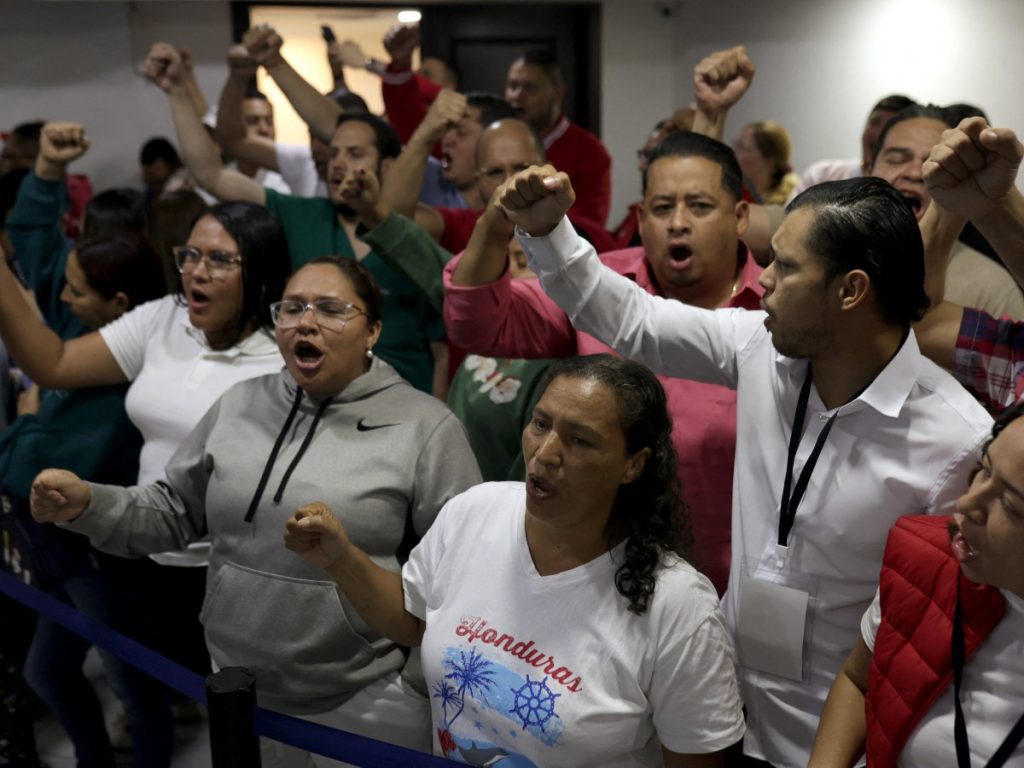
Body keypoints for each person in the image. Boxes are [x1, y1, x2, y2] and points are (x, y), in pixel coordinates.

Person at [505, 167, 992, 766]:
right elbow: (635, 319)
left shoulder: (956, 441)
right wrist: (549, 231)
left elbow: (941, 633)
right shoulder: (763, 350)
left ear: (850, 290)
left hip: (835, 743)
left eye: (785, 268)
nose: (762, 280)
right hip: (715, 714)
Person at [30, 257, 482, 766]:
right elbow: (171, 510)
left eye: (331, 309)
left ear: (372, 329)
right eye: (291, 309)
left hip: (363, 697)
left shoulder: (425, 426)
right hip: (235, 687)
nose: (306, 322)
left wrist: (415, 689)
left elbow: (464, 573)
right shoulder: (240, 403)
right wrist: (89, 502)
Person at [284, 355, 745, 766]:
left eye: (580, 441)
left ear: (633, 464)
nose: (544, 454)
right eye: (540, 424)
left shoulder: (679, 606)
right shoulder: (476, 511)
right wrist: (341, 559)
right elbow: (414, 620)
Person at [443, 131, 765, 595]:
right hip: (589, 578)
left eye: (698, 206)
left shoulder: (774, 312)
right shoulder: (593, 284)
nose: (678, 222)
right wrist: (497, 223)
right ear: (639, 217)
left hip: (727, 582)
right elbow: (476, 324)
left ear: (739, 217)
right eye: (661, 208)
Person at [146, 41, 448, 396]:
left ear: (386, 166)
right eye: (333, 153)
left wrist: (439, 416)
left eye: (353, 153)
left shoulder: (413, 233)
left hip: (403, 403)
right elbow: (210, 174)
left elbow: (441, 350)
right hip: (315, 401)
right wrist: (178, 91)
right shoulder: (301, 214)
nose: (338, 163)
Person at [1, 232, 172, 768]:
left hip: (101, 555)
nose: (64, 300)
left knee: (135, 687)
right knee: (46, 672)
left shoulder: (123, 380)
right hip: (71, 551)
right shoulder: (88, 333)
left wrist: (26, 421)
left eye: (76, 291)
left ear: (118, 303)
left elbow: (31, 469)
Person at [808, 401, 1024, 766]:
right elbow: (859, 680)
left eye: (1010, 504)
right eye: (984, 470)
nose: (969, 502)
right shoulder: (925, 561)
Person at [867, 105, 1024, 320]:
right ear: (868, 170)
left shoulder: (993, 291)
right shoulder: (826, 252)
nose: (914, 173)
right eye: (896, 159)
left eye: (932, 162)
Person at [914, 117, 1024, 412]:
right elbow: (912, 318)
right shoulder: (1015, 357)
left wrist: (995, 205)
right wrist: (951, 207)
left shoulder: (993, 283)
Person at [505, 48, 612, 226]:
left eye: (530, 88)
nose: (517, 96)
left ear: (557, 93)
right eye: (513, 86)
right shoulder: (496, 143)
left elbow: (592, 227)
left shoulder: (590, 152)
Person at [789, 94, 916, 199]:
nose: (878, 134)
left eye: (889, 126)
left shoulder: (911, 189)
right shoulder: (822, 175)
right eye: (874, 123)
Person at [732, 121, 799, 205]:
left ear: (769, 162)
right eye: (736, 144)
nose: (734, 151)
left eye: (743, 148)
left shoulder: (789, 206)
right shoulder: (733, 194)